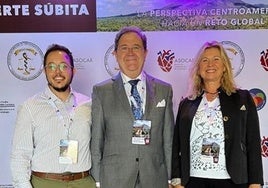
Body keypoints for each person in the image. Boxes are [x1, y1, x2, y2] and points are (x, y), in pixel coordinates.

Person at [90, 26, 174, 188]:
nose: (130, 53)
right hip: (115, 178)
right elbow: (97, 140)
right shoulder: (101, 91)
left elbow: (168, 139)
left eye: (136, 47)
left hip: (154, 177)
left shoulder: (165, 90)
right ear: (115, 54)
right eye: (124, 48)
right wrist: (98, 179)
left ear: (145, 52)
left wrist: (169, 177)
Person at [171, 41, 263, 188]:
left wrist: (256, 182)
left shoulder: (243, 99)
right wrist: (176, 179)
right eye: (205, 60)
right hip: (194, 180)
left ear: (225, 67)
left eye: (216, 59)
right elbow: (177, 145)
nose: (210, 64)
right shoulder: (187, 103)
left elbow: (252, 142)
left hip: (231, 181)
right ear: (198, 68)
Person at [10, 44, 96, 188]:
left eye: (64, 66)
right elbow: (20, 155)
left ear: (73, 71)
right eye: (51, 67)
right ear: (44, 71)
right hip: (44, 183)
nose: (58, 72)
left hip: (83, 182)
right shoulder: (30, 107)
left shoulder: (89, 104)